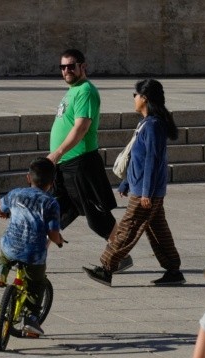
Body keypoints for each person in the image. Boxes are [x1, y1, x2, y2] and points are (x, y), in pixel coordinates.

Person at [82, 79, 185, 287]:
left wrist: (146, 192)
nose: (134, 98)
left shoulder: (154, 125)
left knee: (127, 230)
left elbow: (152, 161)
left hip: (146, 193)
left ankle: (106, 268)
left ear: (144, 98)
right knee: (158, 231)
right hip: (142, 189)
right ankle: (173, 270)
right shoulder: (146, 123)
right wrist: (127, 182)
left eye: (135, 95)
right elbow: (137, 158)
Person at [47, 49, 132, 272]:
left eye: (71, 66)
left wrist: (57, 153)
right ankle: (35, 256)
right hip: (66, 165)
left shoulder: (85, 91)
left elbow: (81, 127)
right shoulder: (72, 91)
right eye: (62, 67)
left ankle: (120, 254)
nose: (66, 70)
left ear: (83, 66)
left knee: (97, 216)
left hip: (80, 162)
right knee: (54, 211)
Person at [0, 157, 64, 336]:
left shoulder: (15, 193)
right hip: (33, 254)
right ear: (52, 182)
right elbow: (53, 234)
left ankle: (1, 270)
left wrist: (5, 214)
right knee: (36, 285)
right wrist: (59, 241)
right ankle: (31, 320)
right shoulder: (51, 203)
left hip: (11, 246)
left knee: (5, 254)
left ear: (28, 178)